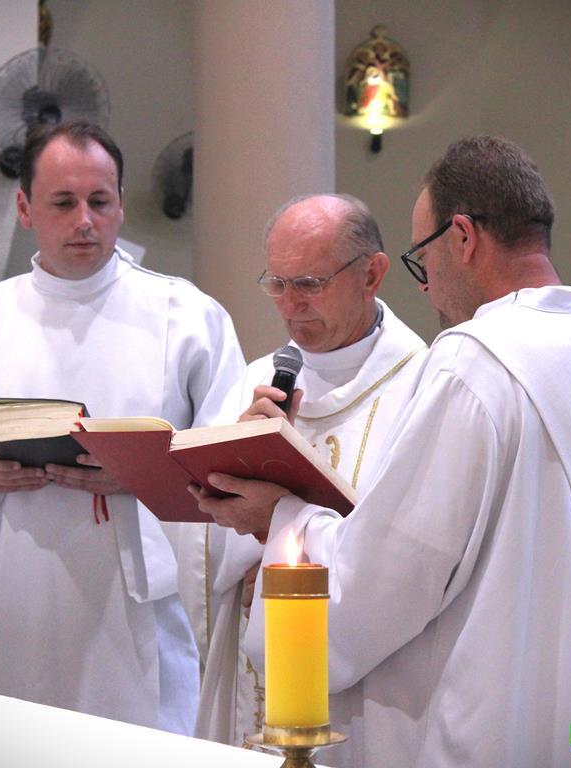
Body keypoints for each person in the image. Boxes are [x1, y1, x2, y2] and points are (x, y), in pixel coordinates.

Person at [192, 136, 571, 766]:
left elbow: (376, 585)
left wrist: (280, 519)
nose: (425, 285)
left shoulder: (475, 362)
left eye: (421, 258)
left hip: (465, 726)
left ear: (462, 237)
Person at [0, 121, 245, 732]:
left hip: (135, 602)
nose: (84, 220)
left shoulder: (187, 315)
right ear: (25, 207)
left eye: (100, 201)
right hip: (18, 596)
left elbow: (228, 454)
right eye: (63, 202)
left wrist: (141, 472)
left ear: (118, 204)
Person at [179, 193, 428, 746]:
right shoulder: (256, 381)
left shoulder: (424, 387)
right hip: (253, 670)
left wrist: (279, 551)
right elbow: (200, 559)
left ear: (373, 274)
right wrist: (231, 466)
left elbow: (410, 553)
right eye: (277, 283)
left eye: (310, 284)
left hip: (365, 688)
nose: (290, 306)